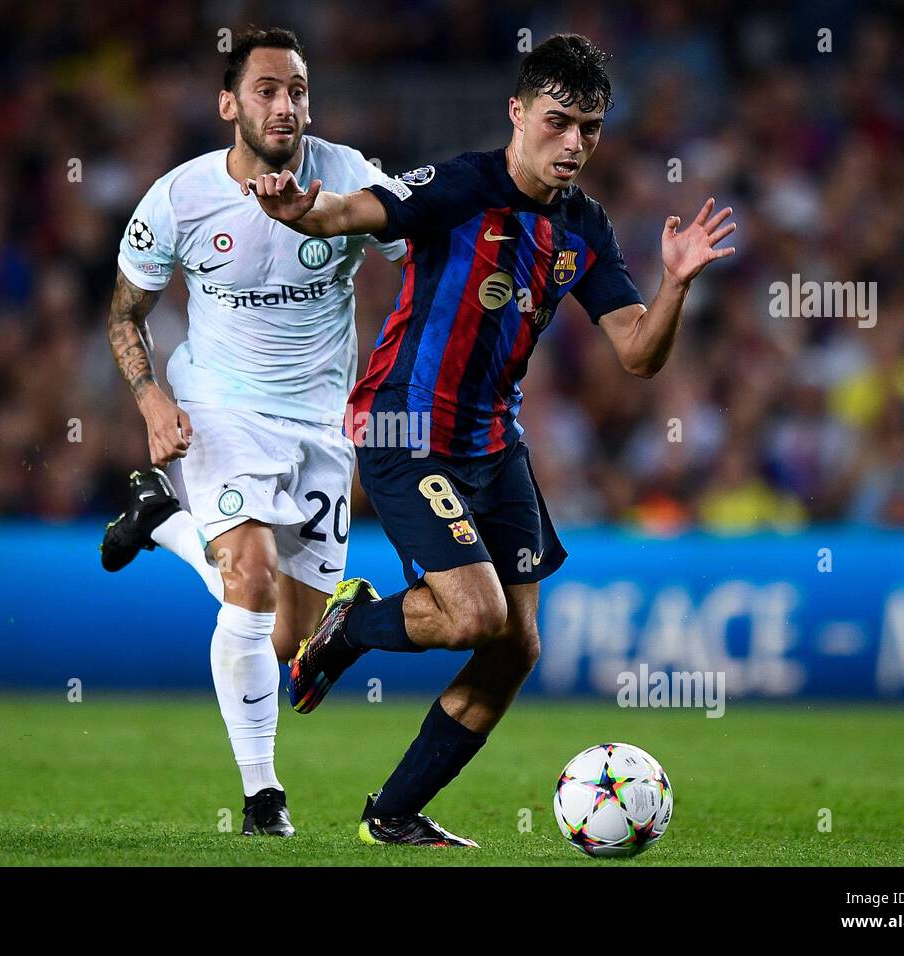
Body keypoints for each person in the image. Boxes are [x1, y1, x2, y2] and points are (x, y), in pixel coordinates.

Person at [245, 33, 735, 846]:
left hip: (493, 442)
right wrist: (305, 210)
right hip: (406, 427)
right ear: (517, 112)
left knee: (516, 646)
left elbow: (640, 354)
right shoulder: (462, 185)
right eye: (558, 121)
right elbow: (359, 209)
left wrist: (675, 284)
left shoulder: (585, 228)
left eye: (591, 127)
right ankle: (356, 623)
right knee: (474, 614)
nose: (574, 143)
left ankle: (392, 814)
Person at [100, 27, 405, 837]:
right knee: (251, 574)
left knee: (287, 641)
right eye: (268, 89)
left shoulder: (346, 175)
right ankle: (264, 799)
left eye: (298, 90)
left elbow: (423, 245)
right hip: (219, 406)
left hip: (318, 424)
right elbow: (125, 314)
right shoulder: (179, 198)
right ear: (229, 104)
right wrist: (153, 402)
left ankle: (162, 522)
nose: (286, 105)